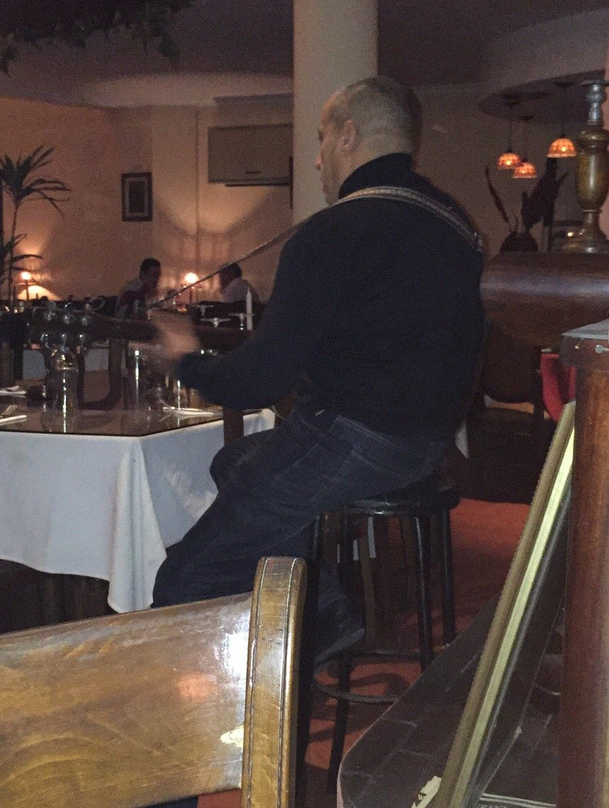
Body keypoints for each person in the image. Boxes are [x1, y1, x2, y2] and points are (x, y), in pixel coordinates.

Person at [148, 76, 485, 662]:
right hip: (429, 443)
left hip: (357, 438)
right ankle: (323, 609)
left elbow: (260, 381)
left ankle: (248, 676)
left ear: (348, 136)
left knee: (183, 579)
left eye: (322, 140)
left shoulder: (333, 233)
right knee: (233, 461)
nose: (318, 160)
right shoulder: (455, 224)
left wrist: (185, 359)